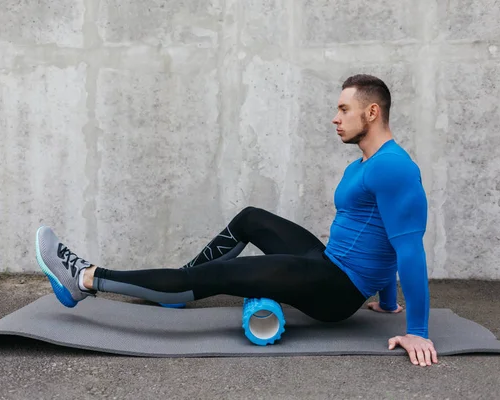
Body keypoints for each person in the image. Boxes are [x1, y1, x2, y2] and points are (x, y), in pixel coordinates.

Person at [35, 74, 438, 367]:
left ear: (372, 112)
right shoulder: (364, 164)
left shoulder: (394, 168)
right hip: (329, 262)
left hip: (336, 289)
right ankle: (179, 284)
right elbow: (381, 231)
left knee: (222, 275)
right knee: (252, 219)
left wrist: (416, 331)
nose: (335, 117)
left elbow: (408, 249)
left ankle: (85, 278)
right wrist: (386, 303)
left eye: (343, 109)